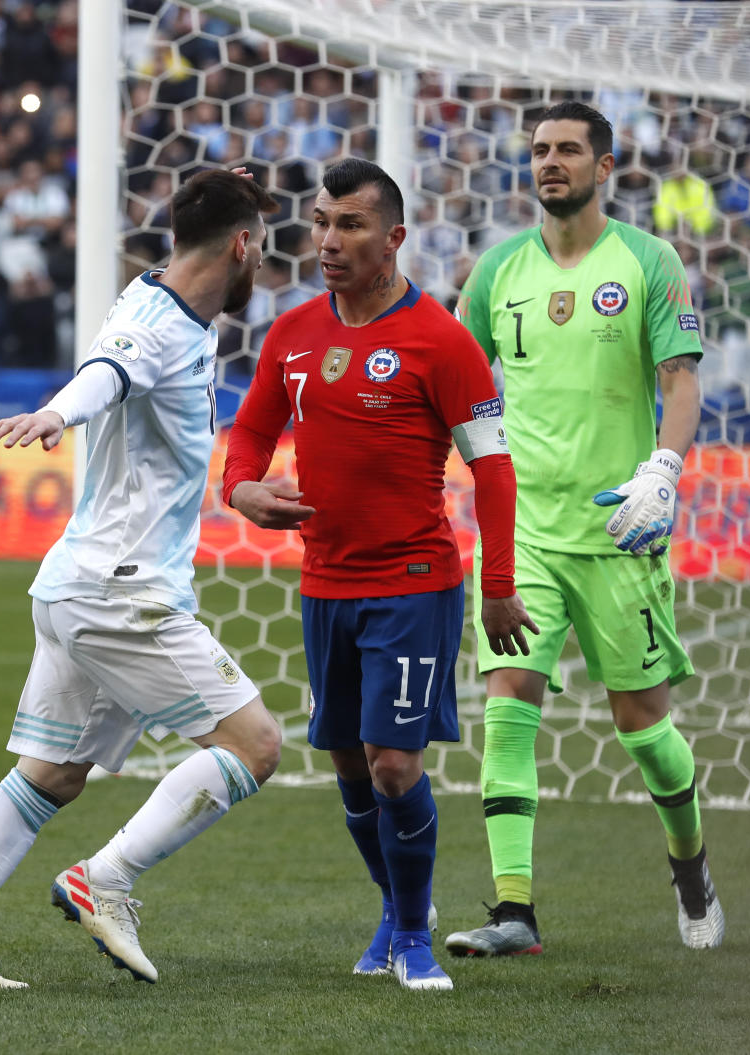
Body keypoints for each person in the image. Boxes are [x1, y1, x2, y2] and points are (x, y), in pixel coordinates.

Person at [0, 168, 282, 989]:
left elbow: (125, 354)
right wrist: (55, 413)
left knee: (53, 775)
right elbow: (108, 370)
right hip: (123, 592)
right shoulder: (156, 320)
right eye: (262, 249)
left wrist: (225, 183)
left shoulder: (166, 295)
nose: (264, 267)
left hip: (78, 581)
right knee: (254, 745)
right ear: (243, 246)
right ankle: (104, 878)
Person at [223, 158, 537, 991]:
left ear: (393, 237)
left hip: (414, 579)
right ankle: (399, 908)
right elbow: (250, 432)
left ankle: (411, 934)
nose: (329, 239)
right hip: (325, 582)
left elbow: (494, 469)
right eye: (322, 221)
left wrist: (499, 585)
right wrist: (243, 488)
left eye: (350, 225)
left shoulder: (441, 340)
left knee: (394, 761)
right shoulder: (292, 333)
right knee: (352, 771)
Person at [443, 101, 724, 959]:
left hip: (619, 530)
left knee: (645, 730)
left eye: (568, 150)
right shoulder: (497, 271)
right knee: (508, 707)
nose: (549, 162)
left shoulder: (649, 261)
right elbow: (451, 384)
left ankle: (691, 867)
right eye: (538, 151)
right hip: (521, 529)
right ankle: (514, 911)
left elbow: (680, 383)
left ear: (605, 167)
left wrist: (663, 469)